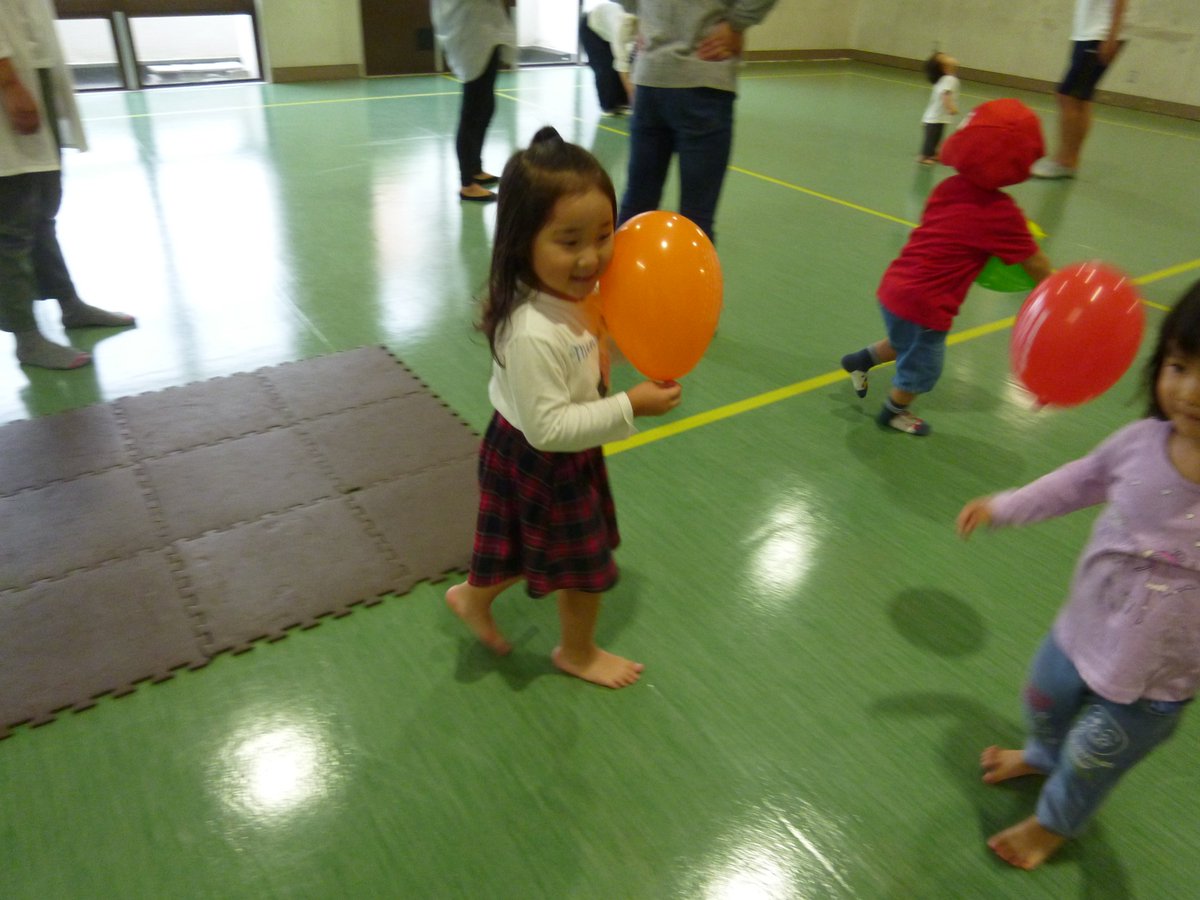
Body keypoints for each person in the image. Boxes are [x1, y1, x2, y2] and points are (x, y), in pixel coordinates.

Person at [956, 280, 1200, 870]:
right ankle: (1041, 751)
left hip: (1153, 679)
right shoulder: (1140, 444)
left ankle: (1052, 824)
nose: (1190, 392)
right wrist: (1006, 505)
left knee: (1094, 759)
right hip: (1080, 631)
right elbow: (1077, 482)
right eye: (1178, 366)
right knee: (1044, 699)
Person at [445, 126, 682, 689]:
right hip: (538, 454)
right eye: (569, 241)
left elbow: (586, 354)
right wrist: (632, 406)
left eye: (603, 235)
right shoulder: (532, 330)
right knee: (585, 566)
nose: (591, 256)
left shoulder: (577, 299)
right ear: (523, 241)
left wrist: (632, 348)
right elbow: (549, 426)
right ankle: (577, 653)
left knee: (525, 546)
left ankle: (471, 597)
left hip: (557, 450)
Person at [838, 99, 1053, 435]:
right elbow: (1034, 261)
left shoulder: (947, 187)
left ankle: (859, 361)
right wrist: (1055, 291)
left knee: (902, 339)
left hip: (894, 286)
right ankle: (894, 412)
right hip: (927, 304)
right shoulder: (1002, 214)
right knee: (923, 365)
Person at [0, 0, 134, 371]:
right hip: (9, 79)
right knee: (11, 226)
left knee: (43, 211)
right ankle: (26, 337)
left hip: (35, 72)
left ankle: (69, 304)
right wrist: (9, 83)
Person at [615, 0, 779, 243]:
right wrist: (736, 24)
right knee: (697, 218)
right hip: (704, 80)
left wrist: (650, 16)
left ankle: (617, 281)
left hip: (652, 77)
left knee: (636, 205)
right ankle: (689, 281)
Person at [1031, 0, 1131, 179]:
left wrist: (1111, 35)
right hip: (1088, 33)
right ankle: (1069, 159)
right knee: (1081, 98)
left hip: (1099, 34)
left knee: (1068, 96)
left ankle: (1065, 161)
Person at [430, 0, 515, 203]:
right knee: (473, 109)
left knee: (486, 107)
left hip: (485, 30)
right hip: (470, 33)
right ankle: (467, 183)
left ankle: (475, 169)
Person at [579, 0, 637, 116]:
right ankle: (608, 106)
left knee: (630, 63)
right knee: (605, 68)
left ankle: (624, 102)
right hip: (592, 28)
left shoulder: (647, 24)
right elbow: (622, 64)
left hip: (608, 27)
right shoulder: (624, 23)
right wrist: (635, 99)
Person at [917, 51, 959, 165]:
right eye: (944, 58)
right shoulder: (949, 79)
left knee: (937, 135)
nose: (949, 57)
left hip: (938, 116)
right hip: (934, 117)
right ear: (943, 67)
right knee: (931, 137)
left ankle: (933, 153)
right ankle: (925, 155)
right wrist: (951, 107)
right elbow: (946, 94)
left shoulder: (947, 78)